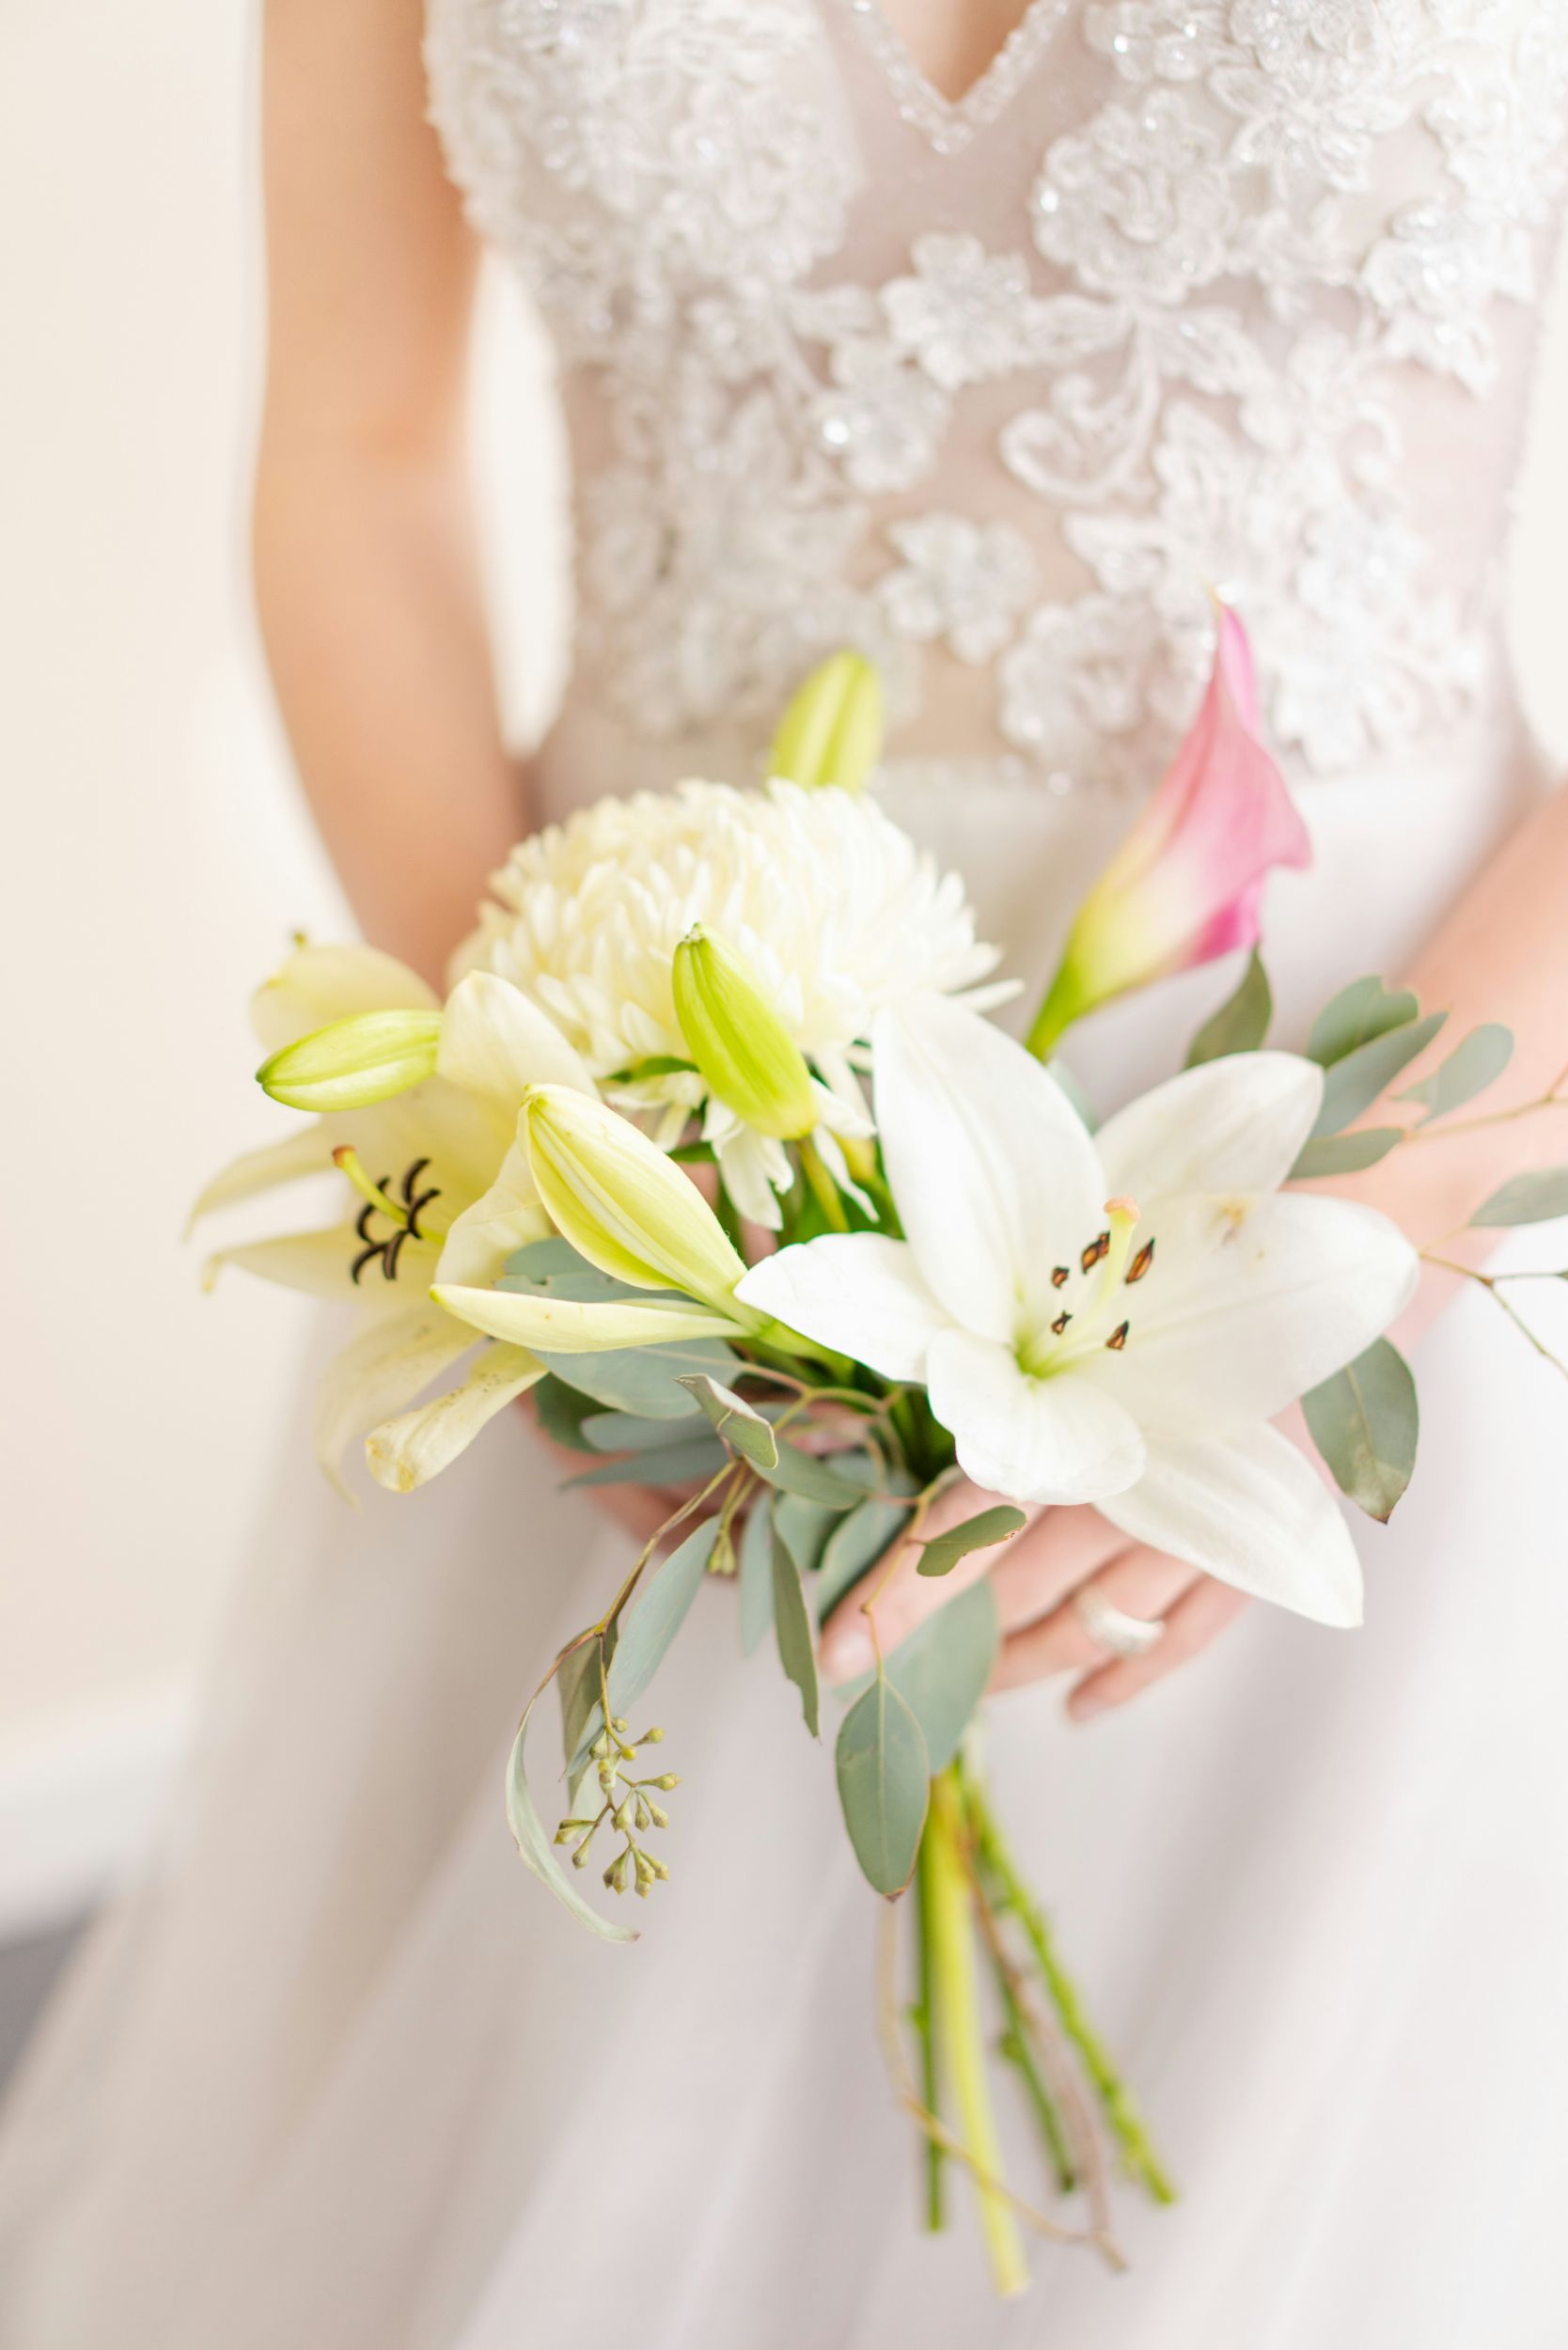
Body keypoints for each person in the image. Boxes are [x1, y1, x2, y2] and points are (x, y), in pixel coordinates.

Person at [4, 2, 1568, 2342]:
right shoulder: (590, 1159)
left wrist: (1335, 1251)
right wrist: (560, 1167)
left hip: (1368, 1110)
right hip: (640, 1133)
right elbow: (356, 444)